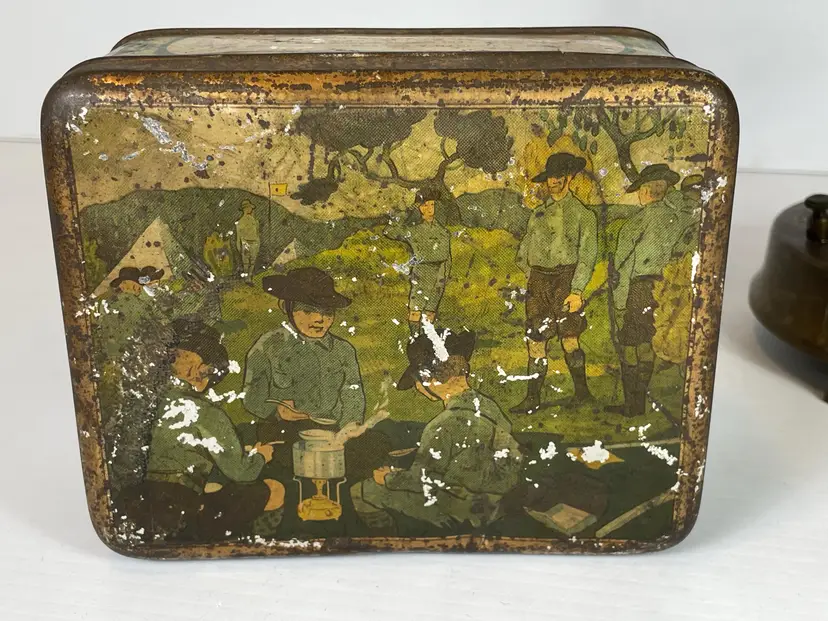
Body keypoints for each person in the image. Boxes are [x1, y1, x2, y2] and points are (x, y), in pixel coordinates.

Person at [121, 319, 285, 540]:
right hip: (184, 510)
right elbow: (241, 472)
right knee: (272, 490)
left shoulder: (144, 401)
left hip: (140, 501)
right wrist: (261, 456)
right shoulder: (206, 412)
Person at [350, 329, 523, 531]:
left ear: (429, 379)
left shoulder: (442, 425)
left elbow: (421, 482)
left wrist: (388, 477)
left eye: (417, 381)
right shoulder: (490, 407)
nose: (418, 387)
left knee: (363, 491)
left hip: (462, 511)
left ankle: (389, 542)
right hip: (497, 503)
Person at [510, 153, 598, 414]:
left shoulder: (583, 215)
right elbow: (523, 251)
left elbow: (588, 256)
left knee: (569, 338)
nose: (553, 181)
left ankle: (582, 394)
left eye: (559, 176)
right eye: (550, 177)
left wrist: (577, 290)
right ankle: (532, 398)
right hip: (538, 283)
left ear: (569, 178)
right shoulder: (537, 213)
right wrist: (532, 276)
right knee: (536, 340)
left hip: (566, 281)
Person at [609, 164, 697, 418]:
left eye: (640, 190)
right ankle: (641, 403)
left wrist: (619, 301)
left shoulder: (635, 223)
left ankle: (632, 404)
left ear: (646, 191)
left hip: (641, 287)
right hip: (671, 287)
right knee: (651, 340)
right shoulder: (682, 219)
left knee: (631, 344)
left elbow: (624, 266)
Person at [242, 267, 365, 429]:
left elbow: (353, 393)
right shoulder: (268, 345)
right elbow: (251, 396)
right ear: (286, 307)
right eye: (308, 311)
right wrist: (276, 410)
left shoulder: (343, 350)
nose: (319, 319)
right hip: (281, 427)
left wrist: (350, 425)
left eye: (328, 312)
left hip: (330, 429)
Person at [384, 189, 452, 335]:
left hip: (440, 273)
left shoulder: (443, 231)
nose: (429, 208)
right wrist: (406, 212)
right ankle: (415, 338)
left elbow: (447, 257)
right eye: (425, 205)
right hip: (422, 272)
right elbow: (389, 231)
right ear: (419, 208)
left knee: (430, 311)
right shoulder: (414, 230)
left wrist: (445, 275)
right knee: (416, 309)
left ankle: (427, 340)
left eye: (432, 204)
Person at [235, 199, 260, 283]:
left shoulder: (254, 221)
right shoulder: (240, 222)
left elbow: (257, 234)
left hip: (254, 243)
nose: (250, 209)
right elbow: (238, 236)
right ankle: (246, 278)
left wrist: (258, 244)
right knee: (245, 262)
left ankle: (249, 277)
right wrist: (239, 246)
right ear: (245, 209)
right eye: (249, 208)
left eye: (251, 208)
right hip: (245, 243)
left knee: (252, 262)